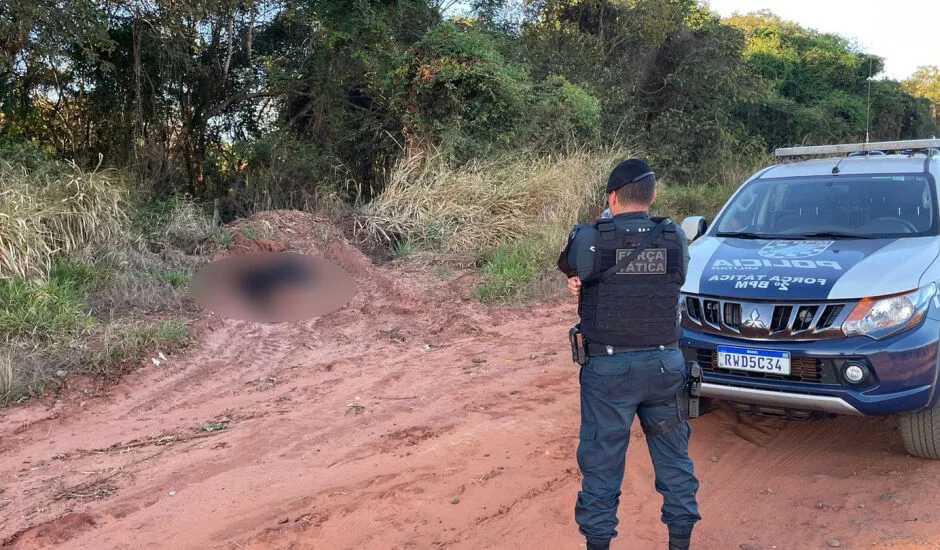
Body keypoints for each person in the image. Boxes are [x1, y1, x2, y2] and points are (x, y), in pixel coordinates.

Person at [557, 158, 700, 550]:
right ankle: (680, 543)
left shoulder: (590, 236)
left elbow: (572, 266)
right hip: (665, 365)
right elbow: (674, 279)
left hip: (609, 369)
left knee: (602, 467)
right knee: (675, 463)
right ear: (653, 197)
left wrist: (577, 281)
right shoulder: (674, 237)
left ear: (612, 197)